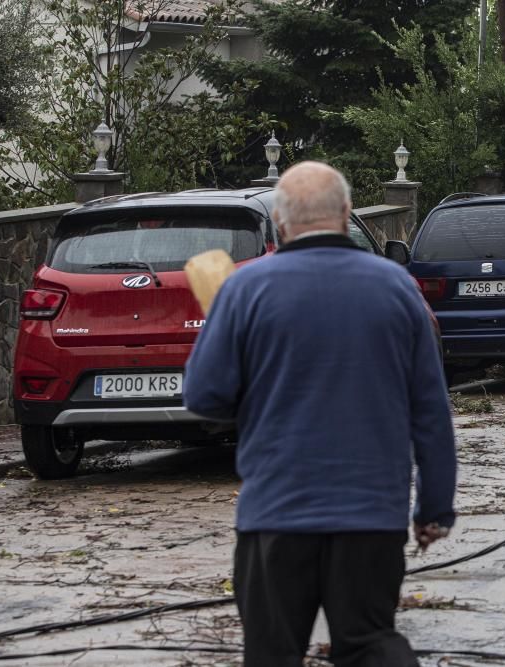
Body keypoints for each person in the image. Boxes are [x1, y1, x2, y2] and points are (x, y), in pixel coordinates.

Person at [183, 161, 456, 667]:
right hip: (370, 517)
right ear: (347, 214)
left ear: (281, 224)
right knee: (370, 642)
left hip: (275, 516)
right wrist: (435, 507)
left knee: (272, 653)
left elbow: (203, 396)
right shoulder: (398, 290)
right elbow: (431, 411)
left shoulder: (244, 290)